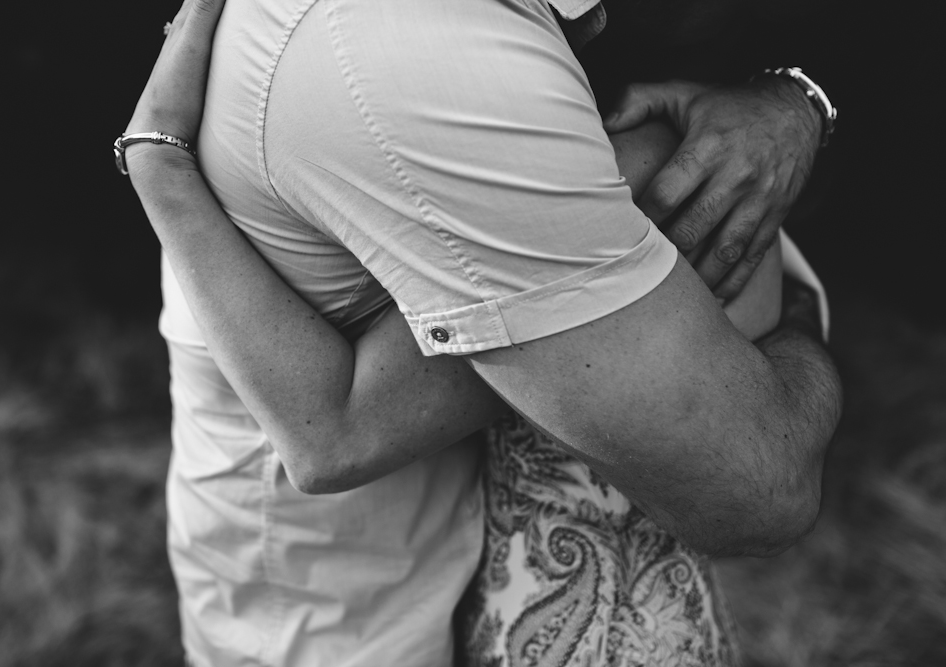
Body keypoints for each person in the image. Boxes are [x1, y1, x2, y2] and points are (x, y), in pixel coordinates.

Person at [119, 0, 841, 665]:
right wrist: (801, 316)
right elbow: (760, 485)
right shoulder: (417, 69)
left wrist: (794, 102)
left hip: (394, 563)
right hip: (344, 613)